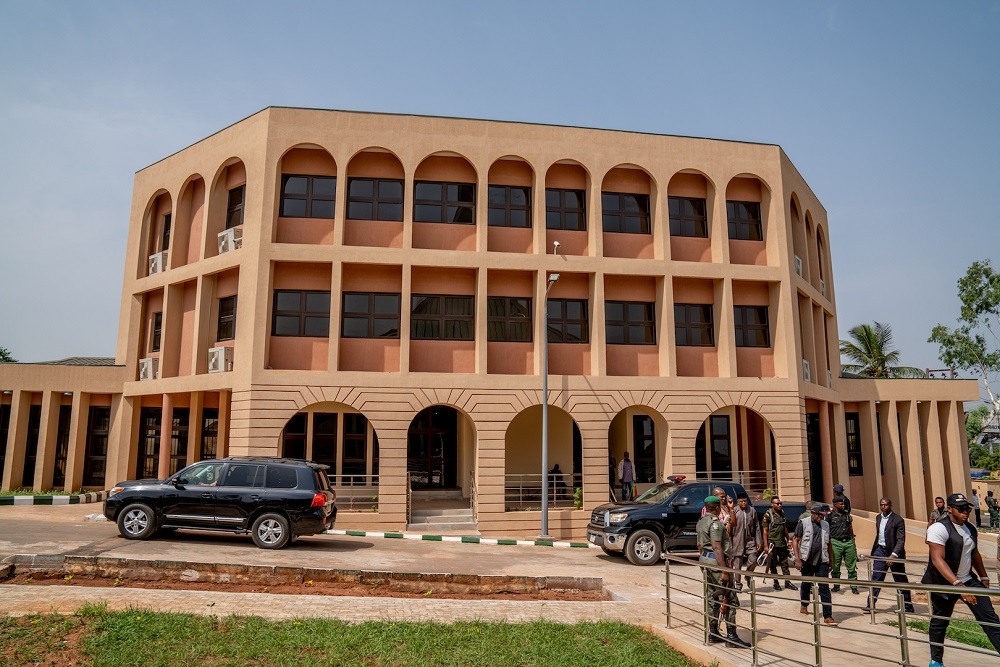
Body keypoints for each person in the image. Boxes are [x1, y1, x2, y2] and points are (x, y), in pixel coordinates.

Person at [922, 492, 1000, 667]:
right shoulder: (938, 528)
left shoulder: (970, 527)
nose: (965, 512)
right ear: (950, 509)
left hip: (968, 579)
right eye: (960, 509)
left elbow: (974, 553)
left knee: (990, 619)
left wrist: (984, 575)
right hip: (944, 582)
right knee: (940, 621)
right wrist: (958, 586)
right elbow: (937, 559)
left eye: (967, 508)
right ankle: (936, 661)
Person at [696, 495, 750, 648]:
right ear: (718, 507)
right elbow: (717, 546)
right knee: (730, 598)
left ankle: (713, 633)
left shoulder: (701, 522)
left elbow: (699, 545)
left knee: (712, 595)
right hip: (716, 563)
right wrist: (724, 571)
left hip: (705, 561)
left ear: (706, 507)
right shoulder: (715, 524)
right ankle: (731, 636)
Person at [865, 497, 914, 613]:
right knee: (876, 578)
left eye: (886, 505)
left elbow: (901, 540)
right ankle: (870, 605)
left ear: (890, 505)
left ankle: (907, 606)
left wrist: (893, 555)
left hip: (894, 553)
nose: (883, 507)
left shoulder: (898, 520)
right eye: (881, 505)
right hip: (880, 551)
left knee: (900, 579)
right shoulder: (878, 518)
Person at [792, 502, 838, 625]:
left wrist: (831, 561)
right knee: (806, 584)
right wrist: (797, 559)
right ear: (812, 513)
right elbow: (795, 540)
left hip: (822, 560)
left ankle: (828, 616)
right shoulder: (803, 523)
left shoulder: (826, 525)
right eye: (818, 515)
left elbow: (828, 543)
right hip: (807, 559)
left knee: (824, 587)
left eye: (822, 515)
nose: (821, 517)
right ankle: (804, 604)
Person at [762, 496, 797, 592]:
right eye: (777, 503)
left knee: (784, 563)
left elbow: (784, 527)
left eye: (780, 503)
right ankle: (776, 582)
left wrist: (788, 539)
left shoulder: (782, 514)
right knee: (773, 564)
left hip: (782, 543)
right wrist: (765, 545)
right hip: (772, 543)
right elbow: (765, 531)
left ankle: (787, 582)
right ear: (772, 504)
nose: (779, 505)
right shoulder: (768, 515)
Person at [730, 495, 762, 592]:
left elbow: (756, 526)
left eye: (745, 501)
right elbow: (730, 527)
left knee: (753, 560)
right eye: (741, 501)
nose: (744, 503)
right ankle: (738, 585)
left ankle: (748, 575)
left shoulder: (752, 511)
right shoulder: (734, 511)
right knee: (737, 564)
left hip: (749, 540)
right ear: (738, 502)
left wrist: (759, 541)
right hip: (737, 540)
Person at [828, 495, 859, 594]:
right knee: (836, 566)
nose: (843, 505)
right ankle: (836, 585)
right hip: (836, 542)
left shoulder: (847, 515)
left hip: (848, 542)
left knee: (851, 566)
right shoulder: (829, 516)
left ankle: (853, 586)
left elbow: (850, 527)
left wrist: (853, 542)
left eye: (844, 503)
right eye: (841, 504)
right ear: (835, 505)